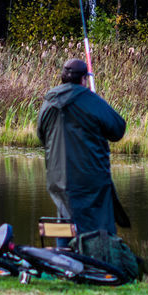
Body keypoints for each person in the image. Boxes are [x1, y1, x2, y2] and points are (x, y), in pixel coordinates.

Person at [36, 57, 127, 236]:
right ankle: (97, 259)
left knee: (66, 222)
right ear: (84, 79)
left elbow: (41, 136)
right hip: (91, 179)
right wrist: (95, 99)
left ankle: (63, 259)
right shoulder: (91, 100)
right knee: (97, 227)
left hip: (58, 179)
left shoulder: (49, 101)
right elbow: (118, 129)